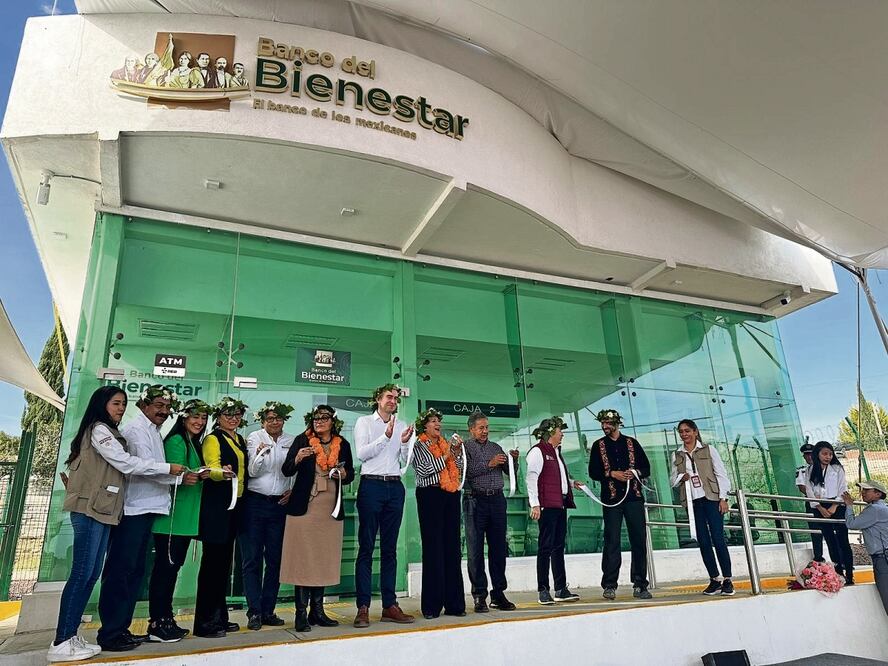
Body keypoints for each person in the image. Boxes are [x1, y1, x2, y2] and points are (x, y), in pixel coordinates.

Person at [48, 387, 184, 663]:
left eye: (123, 403)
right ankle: (63, 639)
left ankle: (72, 636)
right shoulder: (100, 430)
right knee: (84, 574)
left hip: (103, 510)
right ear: (102, 404)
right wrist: (169, 469)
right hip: (90, 510)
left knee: (91, 574)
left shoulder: (111, 431)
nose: (121, 408)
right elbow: (126, 464)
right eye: (116, 403)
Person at [96, 385, 188, 653]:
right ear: (144, 405)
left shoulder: (152, 431)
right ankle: (111, 632)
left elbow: (152, 468)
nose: (164, 411)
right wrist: (176, 474)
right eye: (158, 405)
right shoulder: (136, 430)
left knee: (135, 571)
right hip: (134, 509)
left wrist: (177, 475)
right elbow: (140, 467)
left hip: (148, 508)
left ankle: (121, 629)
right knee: (120, 571)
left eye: (167, 407)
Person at [280, 405, 355, 632]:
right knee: (304, 558)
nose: (319, 421)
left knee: (323, 558)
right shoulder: (302, 441)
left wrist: (344, 473)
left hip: (329, 508)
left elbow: (350, 473)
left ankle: (318, 612)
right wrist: (298, 458)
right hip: (306, 505)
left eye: (324, 418)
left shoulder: (343, 444)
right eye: (316, 418)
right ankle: (301, 613)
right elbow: (286, 470)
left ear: (333, 422)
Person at [147, 399, 212, 642]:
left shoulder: (191, 443)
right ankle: (157, 622)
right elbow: (172, 473)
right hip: (172, 520)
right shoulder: (176, 441)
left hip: (184, 520)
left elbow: (187, 473)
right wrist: (187, 477)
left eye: (203, 418)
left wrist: (200, 474)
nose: (199, 422)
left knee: (171, 570)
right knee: (165, 570)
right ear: (184, 418)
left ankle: (166, 618)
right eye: (194, 416)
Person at [352, 383, 416, 628]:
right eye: (389, 396)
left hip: (394, 486)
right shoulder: (364, 423)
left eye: (395, 398)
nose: (393, 401)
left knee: (390, 549)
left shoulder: (401, 425)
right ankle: (363, 607)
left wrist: (402, 443)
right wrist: (385, 437)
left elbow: (401, 460)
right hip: (371, 486)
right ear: (377, 399)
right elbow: (362, 454)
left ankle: (389, 605)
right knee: (366, 547)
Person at [193, 396, 248, 637]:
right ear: (218, 418)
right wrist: (221, 473)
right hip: (217, 507)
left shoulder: (239, 438)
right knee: (212, 566)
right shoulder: (213, 438)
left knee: (223, 566)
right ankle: (204, 622)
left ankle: (220, 617)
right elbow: (210, 467)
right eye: (228, 414)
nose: (233, 418)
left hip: (234, 507)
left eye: (237, 414)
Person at [239, 401, 296, 631]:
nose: (275, 422)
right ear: (263, 421)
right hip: (255, 503)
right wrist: (261, 453)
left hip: (279, 506)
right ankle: (254, 611)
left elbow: (294, 470)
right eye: (270, 419)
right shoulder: (254, 437)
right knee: (251, 560)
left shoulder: (290, 440)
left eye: (278, 418)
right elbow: (253, 471)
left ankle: (268, 610)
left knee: (275, 561)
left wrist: (292, 490)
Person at [588, 408, 652, 600]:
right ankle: (609, 584)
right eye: (603, 424)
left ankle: (640, 583)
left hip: (634, 497)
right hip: (611, 499)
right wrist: (611, 474)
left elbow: (646, 468)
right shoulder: (597, 445)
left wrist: (634, 473)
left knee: (639, 540)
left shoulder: (632, 443)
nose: (605, 427)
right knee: (612, 540)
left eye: (608, 423)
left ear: (616, 423)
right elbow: (593, 472)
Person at [411, 408, 466, 619]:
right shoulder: (419, 445)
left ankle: (454, 604)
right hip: (430, 496)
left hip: (450, 495)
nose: (437, 424)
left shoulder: (445, 444)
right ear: (424, 426)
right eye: (433, 421)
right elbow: (425, 470)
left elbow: (457, 468)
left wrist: (457, 452)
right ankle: (432, 606)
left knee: (452, 548)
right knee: (433, 548)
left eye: (439, 421)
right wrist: (446, 454)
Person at [669, 419, 734, 596]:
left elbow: (721, 473)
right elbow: (672, 480)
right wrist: (681, 478)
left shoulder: (708, 449)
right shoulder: (677, 454)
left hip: (711, 498)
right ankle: (714, 579)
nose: (684, 434)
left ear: (695, 432)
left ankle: (728, 578)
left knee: (718, 538)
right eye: (681, 432)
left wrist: (723, 498)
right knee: (703, 541)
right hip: (693, 501)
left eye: (687, 431)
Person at [463, 410, 517, 612]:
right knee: (475, 549)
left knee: (498, 548)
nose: (485, 431)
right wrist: (489, 463)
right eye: (481, 428)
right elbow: (465, 471)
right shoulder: (464, 447)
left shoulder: (496, 446)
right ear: (471, 429)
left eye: (487, 427)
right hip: (475, 500)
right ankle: (479, 595)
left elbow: (508, 472)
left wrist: (513, 461)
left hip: (497, 500)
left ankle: (498, 594)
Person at [526, 416, 580, 605]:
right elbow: (531, 478)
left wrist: (572, 483)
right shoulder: (538, 451)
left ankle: (560, 588)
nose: (562, 434)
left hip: (560, 504)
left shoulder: (556, 452)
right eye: (559, 431)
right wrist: (535, 504)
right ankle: (543, 589)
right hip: (547, 506)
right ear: (551, 433)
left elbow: (558, 477)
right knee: (545, 547)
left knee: (558, 546)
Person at [805, 441, 854, 585]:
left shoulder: (837, 468)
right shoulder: (810, 470)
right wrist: (820, 507)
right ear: (817, 454)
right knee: (829, 539)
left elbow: (842, 488)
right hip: (820, 507)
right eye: (824, 454)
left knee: (843, 540)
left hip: (837, 505)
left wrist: (834, 506)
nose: (828, 457)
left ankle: (850, 573)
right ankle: (838, 570)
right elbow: (809, 491)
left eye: (830, 454)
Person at [843, 481, 888, 614]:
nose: (863, 493)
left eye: (866, 490)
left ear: (878, 494)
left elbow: (852, 524)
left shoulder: (874, 510)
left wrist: (849, 506)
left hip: (882, 558)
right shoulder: (882, 508)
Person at [796, 442, 824, 562]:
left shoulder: (825, 468)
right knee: (815, 531)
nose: (809, 457)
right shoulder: (802, 471)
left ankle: (840, 560)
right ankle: (818, 557)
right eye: (806, 455)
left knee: (833, 530)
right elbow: (801, 486)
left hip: (826, 501)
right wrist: (813, 496)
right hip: (812, 503)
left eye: (811, 454)